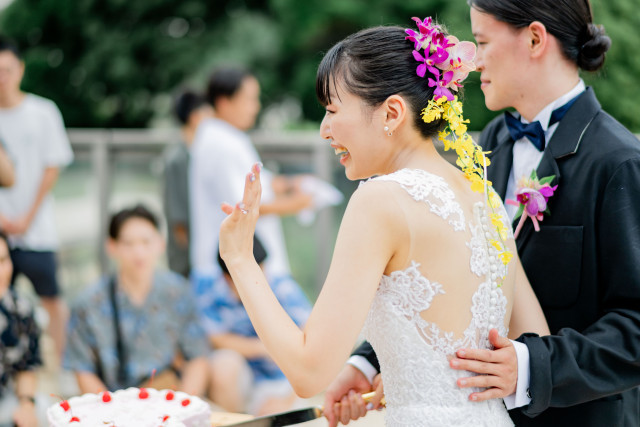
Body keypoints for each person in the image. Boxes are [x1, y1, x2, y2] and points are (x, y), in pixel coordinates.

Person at [217, 20, 549, 426]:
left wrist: (239, 258)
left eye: (332, 110)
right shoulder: (487, 197)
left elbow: (307, 372)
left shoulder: (380, 200)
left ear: (391, 113)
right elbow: (535, 340)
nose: (324, 130)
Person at [330, 2, 640, 426]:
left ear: (534, 39)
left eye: (481, 42)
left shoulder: (620, 161)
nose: (471, 61)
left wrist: (533, 365)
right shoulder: (491, 143)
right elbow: (444, 270)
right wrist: (368, 362)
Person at [64, 205, 210, 395]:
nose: (139, 252)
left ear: (160, 243)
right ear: (112, 247)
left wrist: (183, 406)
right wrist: (113, 411)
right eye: (128, 243)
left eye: (146, 242)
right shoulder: (88, 303)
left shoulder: (178, 292)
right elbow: (82, 369)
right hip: (112, 404)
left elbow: (198, 357)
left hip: (167, 398)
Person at [189, 67, 311, 289]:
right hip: (233, 274)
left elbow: (257, 183)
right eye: (250, 99)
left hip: (234, 268)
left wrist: (290, 184)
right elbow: (243, 206)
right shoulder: (222, 144)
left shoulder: (221, 137)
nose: (256, 107)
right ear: (224, 101)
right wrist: (298, 203)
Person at [0, 37, 73, 361]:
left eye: (7, 70)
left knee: (52, 299)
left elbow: (51, 167)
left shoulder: (42, 112)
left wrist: (27, 217)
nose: (2, 77)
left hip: (37, 228)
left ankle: (63, 365)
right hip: (2, 230)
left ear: (20, 70)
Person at [196, 235, 311, 415]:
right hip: (243, 377)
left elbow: (310, 344)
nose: (259, 278)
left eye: (260, 270)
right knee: (222, 365)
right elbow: (216, 338)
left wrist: (287, 399)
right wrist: (266, 348)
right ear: (227, 277)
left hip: (282, 380)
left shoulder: (283, 287)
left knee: (275, 414)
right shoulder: (207, 287)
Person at [162, 90, 213, 278]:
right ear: (195, 117)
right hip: (187, 263)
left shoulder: (201, 154)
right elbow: (178, 223)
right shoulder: (177, 159)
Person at [0, 231, 40, 427]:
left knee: (41, 410)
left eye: (2, 260)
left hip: (5, 400)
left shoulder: (21, 309)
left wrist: (26, 405)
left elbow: (26, 366)